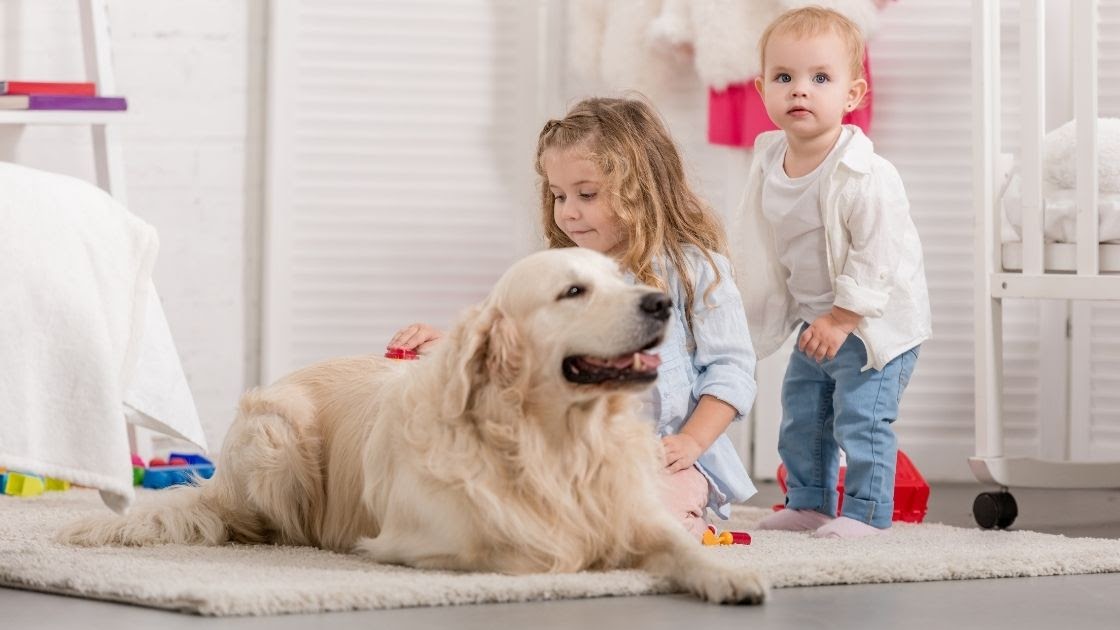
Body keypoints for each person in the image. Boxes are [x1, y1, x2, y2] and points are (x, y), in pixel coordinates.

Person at [389, 97, 757, 538]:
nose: (568, 212)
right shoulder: (561, 274)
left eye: (586, 194)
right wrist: (448, 343)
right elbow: (513, 338)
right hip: (575, 453)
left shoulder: (694, 269)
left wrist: (693, 441)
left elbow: (731, 370)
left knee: (651, 520)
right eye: (559, 195)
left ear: (642, 189)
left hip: (663, 455)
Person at [731, 6, 931, 539]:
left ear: (853, 95)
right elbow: (762, 241)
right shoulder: (770, 159)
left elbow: (877, 254)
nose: (801, 90)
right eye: (784, 77)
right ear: (762, 89)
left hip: (870, 327)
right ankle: (812, 502)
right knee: (803, 416)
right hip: (816, 322)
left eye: (820, 78)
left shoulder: (866, 173)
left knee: (861, 421)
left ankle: (867, 513)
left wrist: (843, 317)